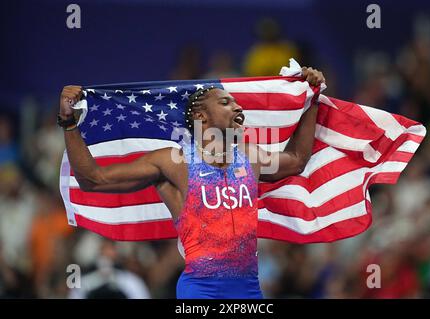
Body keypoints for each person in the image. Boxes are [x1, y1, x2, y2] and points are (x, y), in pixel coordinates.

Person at [58, 67, 325, 299]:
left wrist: (312, 99)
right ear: (201, 117)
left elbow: (298, 159)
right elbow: (93, 179)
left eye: (236, 104)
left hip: (249, 288)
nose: (238, 107)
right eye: (226, 103)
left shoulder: (249, 156)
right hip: (200, 289)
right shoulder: (174, 162)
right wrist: (69, 123)